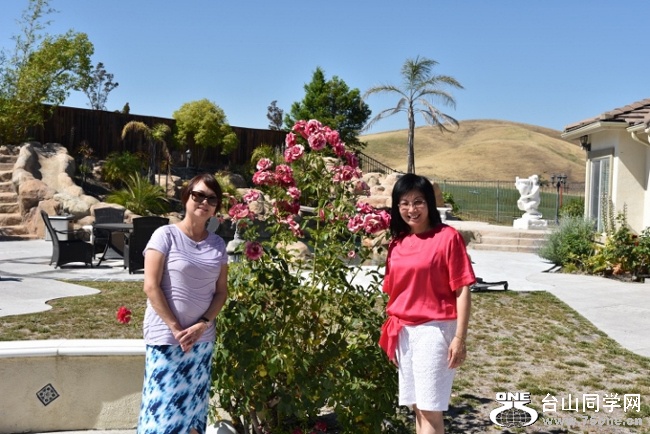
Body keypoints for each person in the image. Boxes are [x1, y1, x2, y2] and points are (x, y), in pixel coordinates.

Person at [379, 174, 475, 434]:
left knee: (430, 408)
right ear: (397, 207)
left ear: (429, 203)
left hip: (434, 330)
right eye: (404, 203)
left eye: (418, 201)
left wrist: (459, 338)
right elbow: (394, 292)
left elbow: (462, 289)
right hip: (404, 331)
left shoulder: (448, 237)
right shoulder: (397, 243)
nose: (412, 209)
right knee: (417, 407)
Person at [137, 173, 229, 434]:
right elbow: (151, 286)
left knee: (192, 415)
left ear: (216, 207)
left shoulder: (217, 244)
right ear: (186, 197)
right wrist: (176, 329)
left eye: (212, 198)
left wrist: (202, 325)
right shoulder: (164, 235)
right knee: (162, 415)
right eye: (198, 195)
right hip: (167, 338)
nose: (204, 202)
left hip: (201, 340)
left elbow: (221, 292)